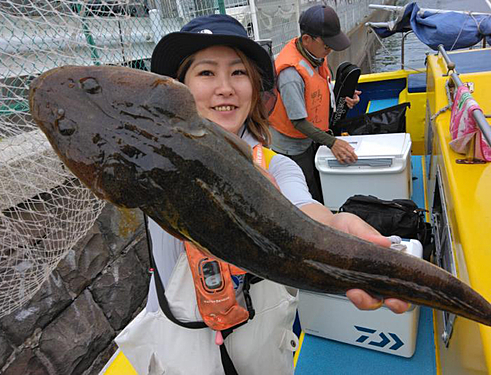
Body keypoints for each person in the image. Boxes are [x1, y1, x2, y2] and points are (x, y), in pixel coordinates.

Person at [115, 14, 409, 375]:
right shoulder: (154, 162)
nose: (225, 87)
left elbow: (302, 209)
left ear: (255, 88)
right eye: (206, 73)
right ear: (180, 89)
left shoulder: (277, 166)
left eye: (238, 73)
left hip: (260, 345)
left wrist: (334, 226)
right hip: (180, 344)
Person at [269, 4, 360, 203]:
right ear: (307, 39)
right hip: (292, 148)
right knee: (308, 194)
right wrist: (333, 143)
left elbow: (318, 89)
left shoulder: (314, 54)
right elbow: (298, 123)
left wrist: (344, 97)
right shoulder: (290, 75)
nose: (329, 51)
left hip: (311, 138)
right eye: (327, 46)